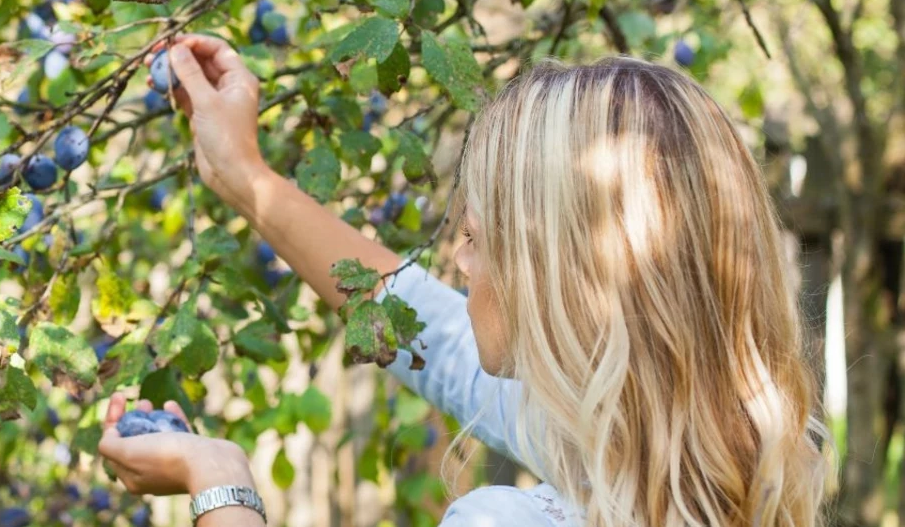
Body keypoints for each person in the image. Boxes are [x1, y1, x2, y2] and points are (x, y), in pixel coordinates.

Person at [96, 35, 831, 526]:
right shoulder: (745, 472)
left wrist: (220, 484)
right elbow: (433, 335)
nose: (460, 262)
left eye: (476, 239)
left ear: (553, 282)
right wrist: (244, 175)